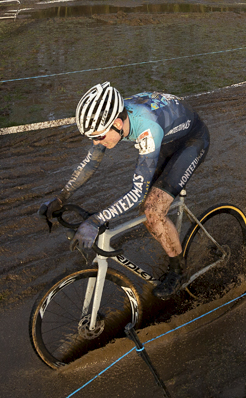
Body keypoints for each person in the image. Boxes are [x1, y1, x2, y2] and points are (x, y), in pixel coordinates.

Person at [39, 82, 210, 300]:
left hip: (191, 141)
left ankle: (178, 272)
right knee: (147, 209)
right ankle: (170, 240)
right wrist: (61, 197)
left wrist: (96, 220)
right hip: (167, 135)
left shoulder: (146, 128)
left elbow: (137, 191)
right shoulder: (110, 120)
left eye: (99, 137)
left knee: (153, 211)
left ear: (118, 123)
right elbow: (91, 163)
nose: (95, 142)